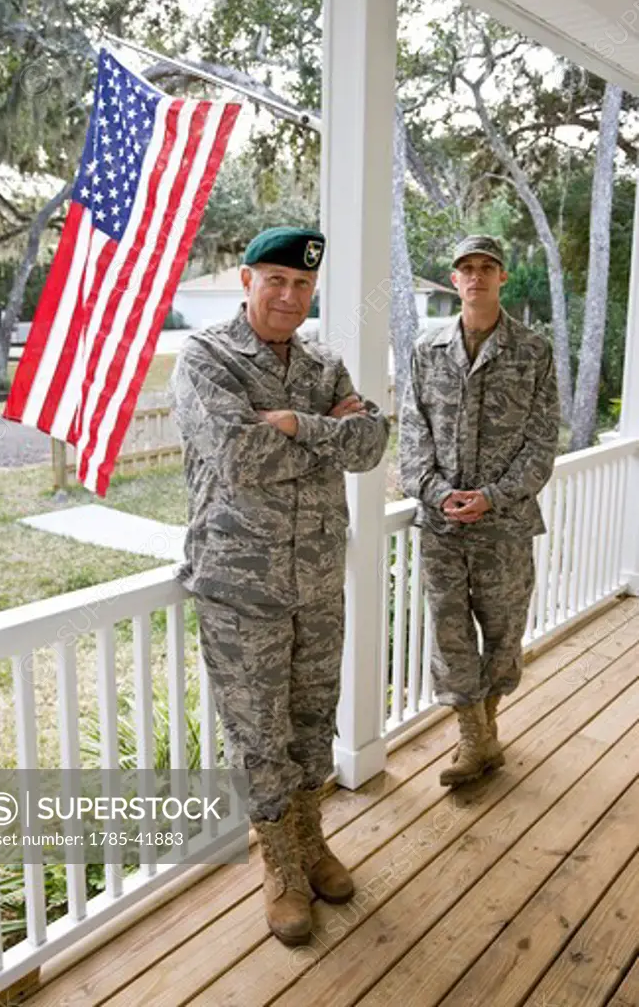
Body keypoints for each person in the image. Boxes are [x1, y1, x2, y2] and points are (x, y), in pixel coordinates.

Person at [169, 226, 389, 945]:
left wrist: (296, 424)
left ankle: (312, 838)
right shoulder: (207, 355)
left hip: (318, 577)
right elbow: (237, 456)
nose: (289, 296)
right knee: (260, 735)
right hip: (241, 584)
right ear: (246, 280)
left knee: (309, 721)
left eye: (301, 285)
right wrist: (326, 434)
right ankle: (281, 867)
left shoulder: (324, 363)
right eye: (276, 281)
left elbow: (372, 444)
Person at [399, 234, 560, 788]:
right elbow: (411, 432)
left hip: (505, 524)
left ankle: (486, 731)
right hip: (442, 525)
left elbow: (542, 443)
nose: (476, 277)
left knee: (503, 629)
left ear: (502, 277)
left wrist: (493, 495)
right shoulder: (427, 351)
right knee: (449, 633)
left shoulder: (532, 351)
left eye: (486, 267)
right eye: (465, 268)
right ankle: (475, 740)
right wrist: (436, 490)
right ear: (453, 279)